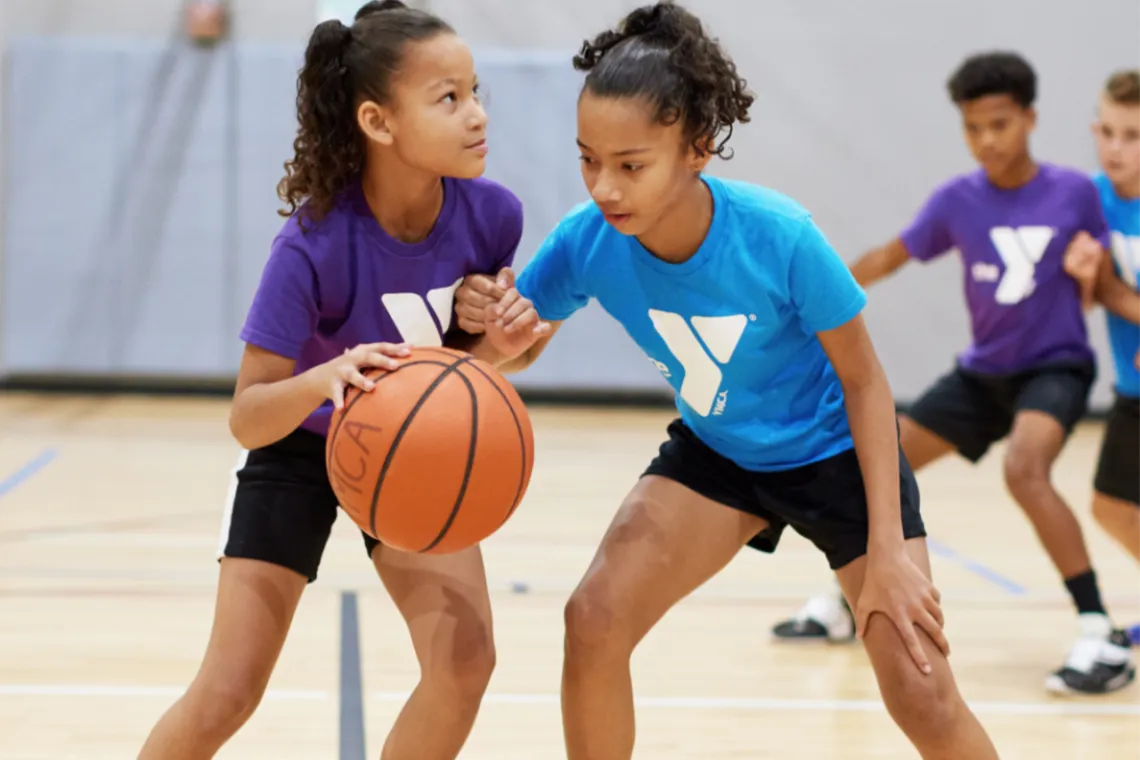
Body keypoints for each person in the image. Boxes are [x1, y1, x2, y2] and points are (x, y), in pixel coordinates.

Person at [458, 3, 1000, 758]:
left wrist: (887, 552)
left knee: (922, 691)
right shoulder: (586, 242)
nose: (605, 188)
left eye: (631, 164)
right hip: (720, 456)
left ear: (698, 148)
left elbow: (867, 384)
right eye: (589, 160)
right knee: (593, 620)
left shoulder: (779, 236)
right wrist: (502, 339)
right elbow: (519, 349)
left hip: (837, 456)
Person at [136, 3, 546, 758]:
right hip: (297, 450)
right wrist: (326, 376)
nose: (478, 115)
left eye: (476, 90)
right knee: (228, 693)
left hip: (409, 451)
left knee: (464, 666)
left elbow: (465, 367)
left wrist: (505, 344)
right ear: (378, 122)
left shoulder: (493, 217)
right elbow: (248, 417)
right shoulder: (311, 243)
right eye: (449, 98)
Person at [767, 51, 1136, 696]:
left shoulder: (1076, 193)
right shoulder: (956, 201)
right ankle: (850, 596)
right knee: (876, 460)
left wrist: (1092, 277)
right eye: (973, 129)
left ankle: (1096, 623)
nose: (987, 141)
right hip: (981, 373)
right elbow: (890, 256)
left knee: (1025, 468)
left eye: (1000, 125)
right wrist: (807, 298)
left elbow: (1103, 279)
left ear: (1030, 119)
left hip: (1056, 368)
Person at [1071, 70, 1140, 647]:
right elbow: (1092, 292)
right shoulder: (1090, 198)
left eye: (1134, 136)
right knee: (1113, 505)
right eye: (1109, 132)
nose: (1116, 148)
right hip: (1132, 387)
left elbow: (1115, 293)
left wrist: (1114, 291)